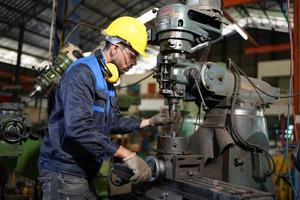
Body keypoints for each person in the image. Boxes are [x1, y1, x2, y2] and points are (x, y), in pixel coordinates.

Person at [38, 16, 170, 200]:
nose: (134, 62)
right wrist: (127, 155)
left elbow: (113, 121)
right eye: (132, 55)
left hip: (83, 171)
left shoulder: (107, 80)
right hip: (64, 172)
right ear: (115, 48)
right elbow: (77, 129)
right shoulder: (82, 73)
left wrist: (150, 121)